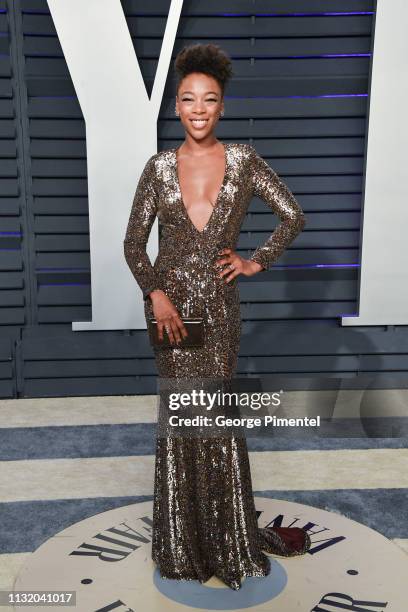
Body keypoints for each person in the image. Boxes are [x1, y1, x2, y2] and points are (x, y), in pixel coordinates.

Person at [123, 43, 310, 591]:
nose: (198, 108)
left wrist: (256, 261)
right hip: (170, 313)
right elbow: (135, 243)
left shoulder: (244, 160)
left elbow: (292, 215)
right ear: (176, 107)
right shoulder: (157, 168)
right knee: (180, 420)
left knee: (215, 419)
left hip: (221, 313)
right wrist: (156, 295)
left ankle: (227, 542)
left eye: (209, 99)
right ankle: (183, 545)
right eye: (187, 99)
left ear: (221, 106)